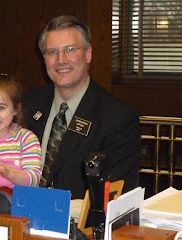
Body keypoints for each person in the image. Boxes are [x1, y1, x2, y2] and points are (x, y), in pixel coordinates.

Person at [22, 15, 140, 199]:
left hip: (79, 225)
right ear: (43, 58)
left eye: (69, 50)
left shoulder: (117, 117)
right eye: (52, 52)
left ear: (88, 54)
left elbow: (117, 193)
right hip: (21, 218)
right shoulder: (28, 104)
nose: (61, 60)